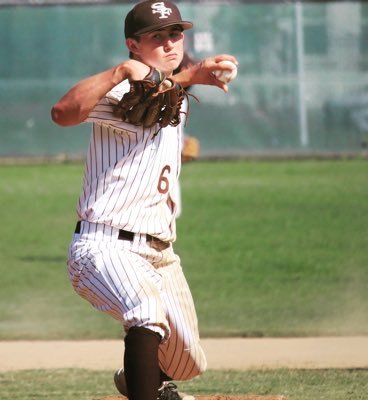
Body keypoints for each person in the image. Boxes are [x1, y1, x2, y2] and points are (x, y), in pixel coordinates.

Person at [51, 1, 237, 399]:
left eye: (175, 33)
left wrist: (195, 75)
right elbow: (63, 113)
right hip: (104, 245)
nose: (170, 43)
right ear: (132, 44)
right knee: (145, 312)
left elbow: (168, 86)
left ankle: (137, 379)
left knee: (189, 363)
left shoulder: (176, 95)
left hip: (161, 254)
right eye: (157, 37)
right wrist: (119, 71)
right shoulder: (121, 91)